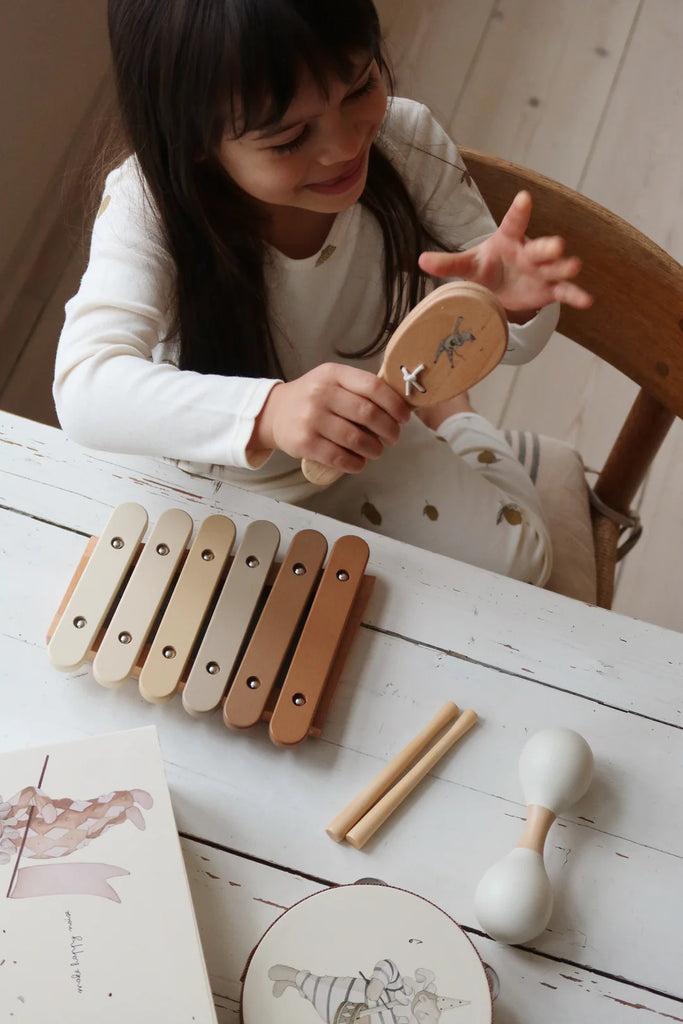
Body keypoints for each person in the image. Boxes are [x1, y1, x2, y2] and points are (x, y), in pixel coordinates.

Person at [54, 0, 592, 586]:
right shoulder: (146, 206)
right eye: (288, 139)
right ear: (192, 139)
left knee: (525, 566)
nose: (342, 146)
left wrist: (514, 304)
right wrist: (271, 413)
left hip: (368, 445)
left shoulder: (407, 144)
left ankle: (452, 415)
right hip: (213, 470)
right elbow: (85, 386)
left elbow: (510, 342)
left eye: (360, 87)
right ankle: (434, 404)